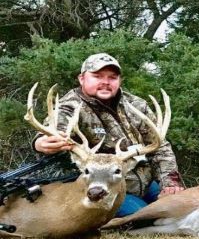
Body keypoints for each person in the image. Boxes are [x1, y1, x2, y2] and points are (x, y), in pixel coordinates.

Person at [33, 53, 184, 217]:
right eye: (97, 76)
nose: (105, 82)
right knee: (142, 216)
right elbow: (55, 127)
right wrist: (41, 142)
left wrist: (170, 182)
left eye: (112, 77)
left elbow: (159, 146)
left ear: (119, 81)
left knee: (182, 207)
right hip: (102, 185)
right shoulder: (70, 105)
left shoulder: (136, 105)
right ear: (82, 79)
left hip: (145, 180)